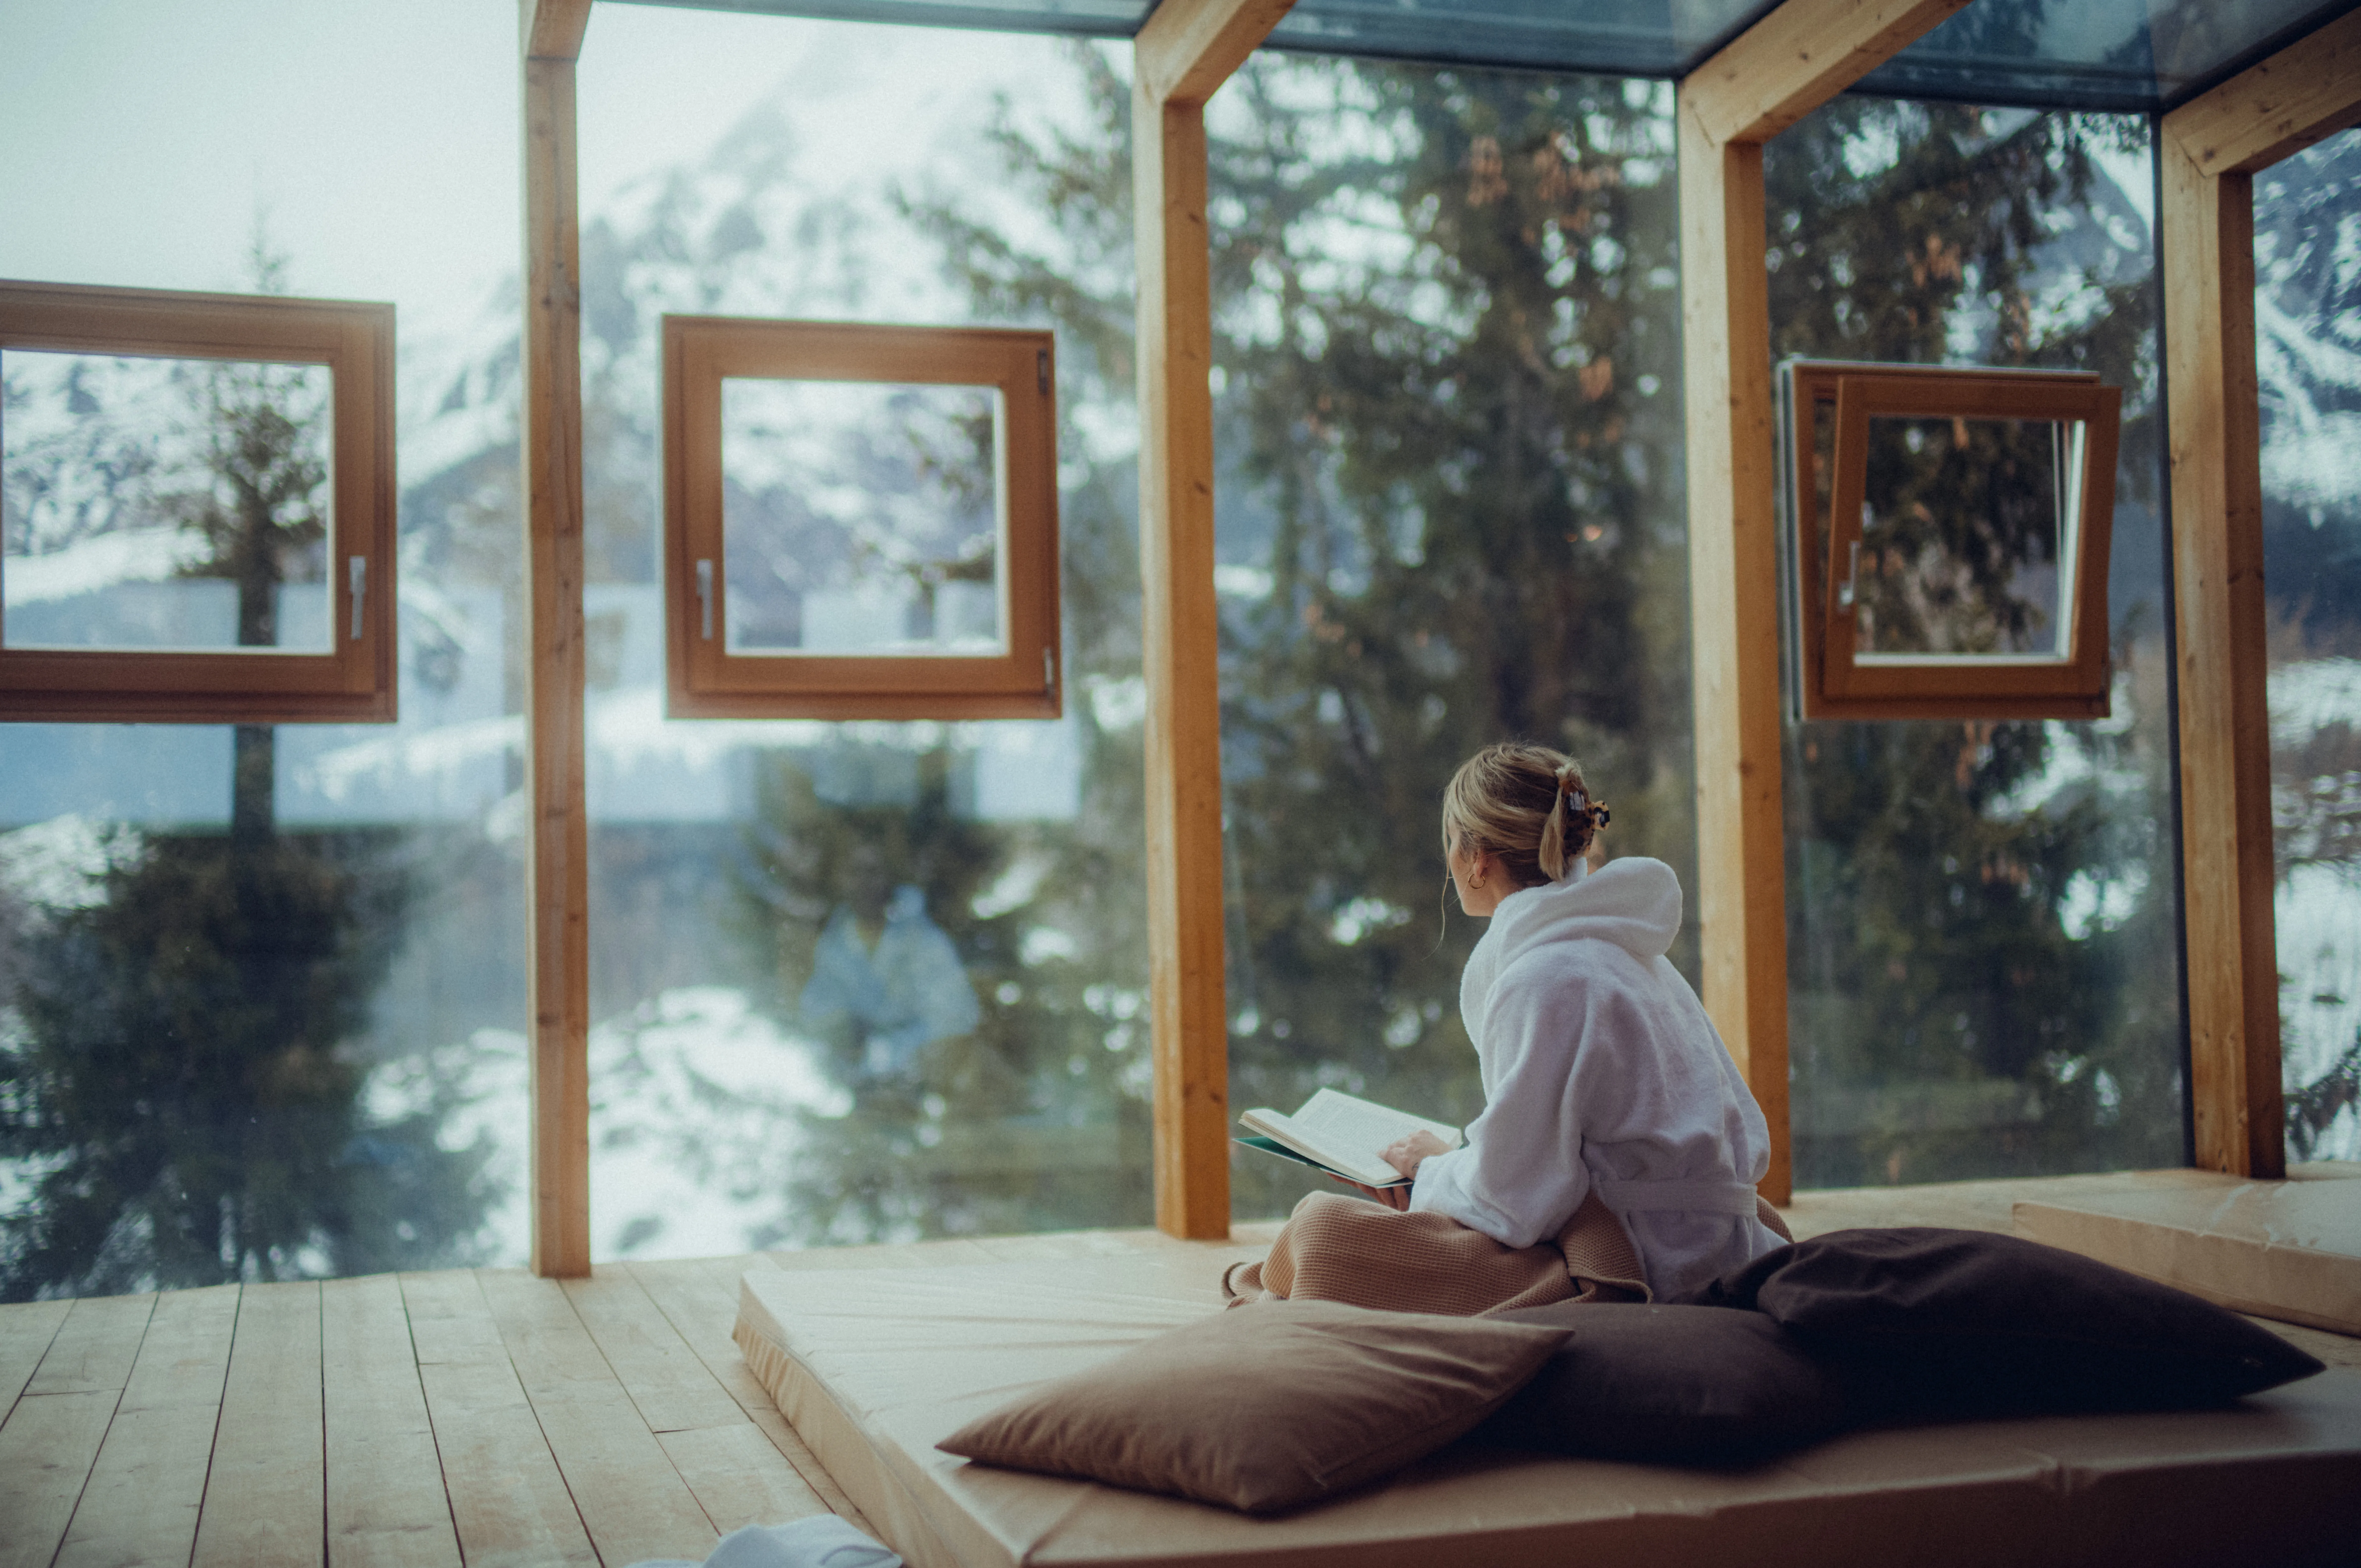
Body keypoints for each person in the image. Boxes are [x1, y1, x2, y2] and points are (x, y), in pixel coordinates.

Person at [1224, 742, 1789, 1314]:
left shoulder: (1545, 978)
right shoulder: (1638, 956)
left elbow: (1517, 1203)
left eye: (1452, 841)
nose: (1449, 859)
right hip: (1715, 1241)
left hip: (1642, 1261)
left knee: (1322, 1232)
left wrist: (1428, 1171)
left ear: (1477, 857)